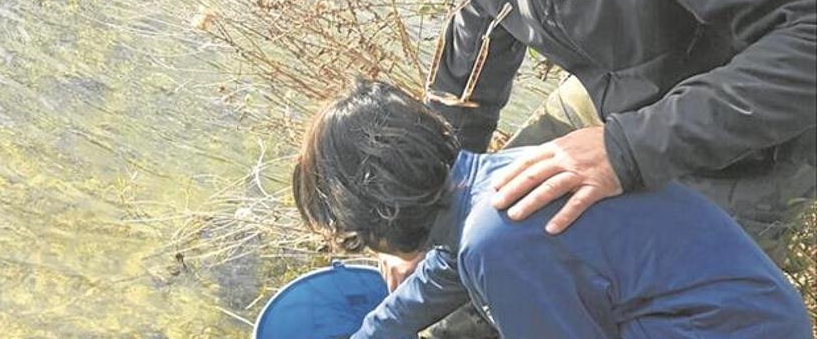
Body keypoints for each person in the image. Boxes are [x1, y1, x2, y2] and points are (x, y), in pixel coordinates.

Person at [364, 0, 817, 325]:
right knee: (473, 264)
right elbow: (470, 68)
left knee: (655, 303)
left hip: (749, 144)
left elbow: (808, 44)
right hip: (614, 94)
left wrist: (626, 149)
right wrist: (425, 208)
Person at [292, 79, 812, 338]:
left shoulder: (495, 243)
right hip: (749, 310)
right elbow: (444, 270)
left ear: (380, 210)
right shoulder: (489, 188)